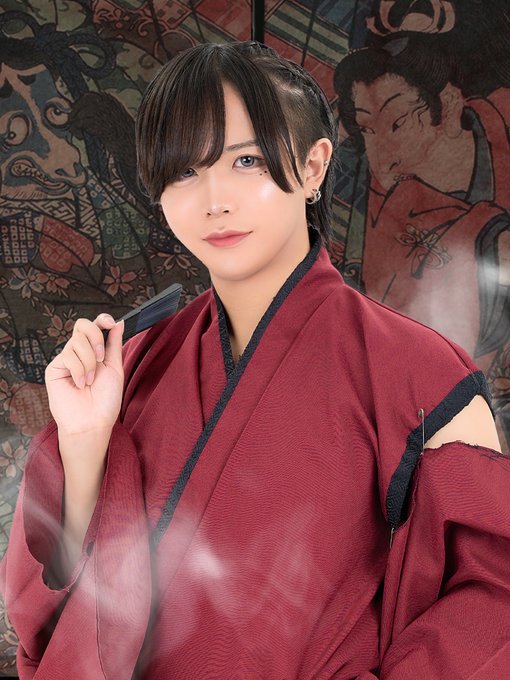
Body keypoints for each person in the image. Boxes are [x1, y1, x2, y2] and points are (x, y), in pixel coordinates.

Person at [1, 41, 509, 680]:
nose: (214, 200)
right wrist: (82, 442)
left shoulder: (419, 373)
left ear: (314, 165)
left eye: (246, 160)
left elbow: (493, 597)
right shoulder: (130, 367)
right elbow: (44, 616)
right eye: (184, 171)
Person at [334, 35, 510, 450]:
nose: (382, 155)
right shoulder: (377, 191)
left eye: (397, 123)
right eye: (367, 129)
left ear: (446, 106)